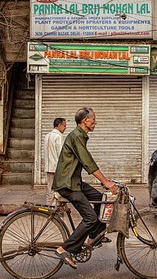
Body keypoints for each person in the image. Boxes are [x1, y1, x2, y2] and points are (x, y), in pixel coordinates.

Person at [52, 107, 118, 270]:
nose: (95, 121)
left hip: (75, 181)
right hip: (67, 184)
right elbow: (87, 161)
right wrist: (105, 182)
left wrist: (105, 180)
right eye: (93, 119)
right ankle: (64, 249)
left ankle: (93, 237)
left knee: (102, 201)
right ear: (84, 121)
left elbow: (86, 161)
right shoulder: (75, 136)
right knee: (90, 218)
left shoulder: (80, 136)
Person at [44, 117, 66, 205]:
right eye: (64, 126)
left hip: (48, 167)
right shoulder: (58, 136)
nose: (65, 128)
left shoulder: (47, 136)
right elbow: (61, 153)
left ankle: (48, 208)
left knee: (50, 189)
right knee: (58, 189)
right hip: (57, 167)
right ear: (59, 125)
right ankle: (56, 208)